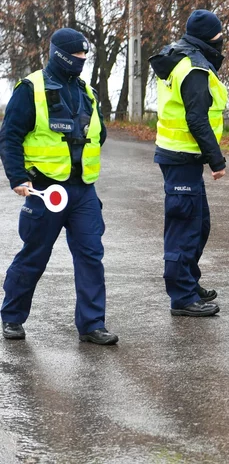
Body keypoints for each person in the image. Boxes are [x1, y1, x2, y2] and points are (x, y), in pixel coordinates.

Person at [0, 28, 117, 344]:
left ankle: (92, 325)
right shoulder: (31, 89)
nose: (82, 61)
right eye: (77, 56)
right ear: (61, 55)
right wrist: (17, 177)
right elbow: (10, 136)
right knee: (35, 254)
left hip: (83, 191)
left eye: (84, 56)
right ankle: (11, 317)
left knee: (91, 255)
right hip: (44, 191)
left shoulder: (87, 91)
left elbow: (100, 133)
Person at [149, 9, 228, 317]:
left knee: (199, 224)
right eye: (219, 37)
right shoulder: (194, 68)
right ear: (210, 38)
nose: (222, 42)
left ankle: (188, 282)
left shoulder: (178, 55)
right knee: (184, 228)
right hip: (181, 156)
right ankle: (181, 297)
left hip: (180, 155)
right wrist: (216, 160)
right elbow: (196, 118)